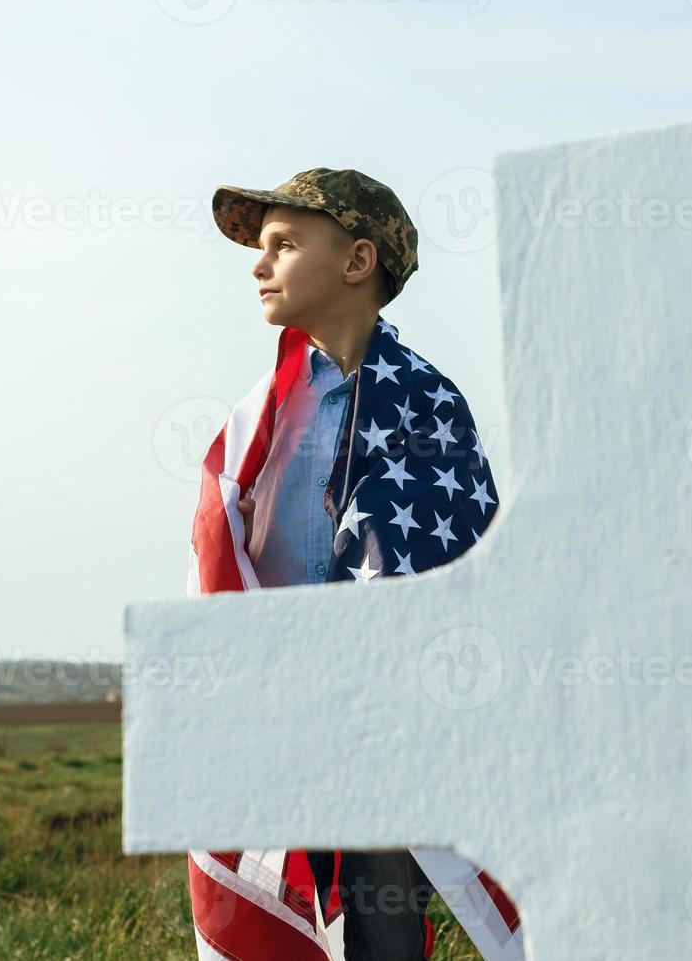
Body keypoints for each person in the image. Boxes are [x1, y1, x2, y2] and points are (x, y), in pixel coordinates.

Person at [185, 167, 501, 961]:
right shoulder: (262, 416)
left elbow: (451, 562)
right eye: (261, 249)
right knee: (276, 913)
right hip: (277, 707)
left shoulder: (426, 402)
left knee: (378, 926)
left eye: (284, 245)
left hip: (381, 721)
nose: (260, 265)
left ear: (357, 262)